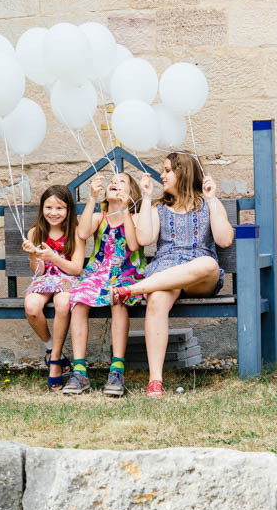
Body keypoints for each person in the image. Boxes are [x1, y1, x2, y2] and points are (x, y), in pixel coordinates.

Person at [117, 152, 235, 398]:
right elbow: (144, 239)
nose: (162, 175)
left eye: (167, 170)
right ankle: (155, 380)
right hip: (166, 270)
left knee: (208, 264)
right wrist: (147, 198)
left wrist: (212, 199)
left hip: (200, 276)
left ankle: (136, 289)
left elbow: (224, 240)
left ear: (183, 172)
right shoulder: (161, 208)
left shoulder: (207, 204)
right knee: (158, 299)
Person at [61, 172, 148, 397]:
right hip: (98, 272)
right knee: (78, 299)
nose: (114, 184)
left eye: (121, 183)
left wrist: (126, 209)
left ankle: (117, 368)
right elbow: (82, 232)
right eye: (112, 181)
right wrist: (91, 198)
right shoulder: (100, 217)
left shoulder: (135, 218)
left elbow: (132, 243)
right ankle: (79, 371)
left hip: (127, 272)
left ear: (132, 194)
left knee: (118, 298)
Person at [21, 185, 84, 390]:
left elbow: (75, 269)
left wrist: (54, 257)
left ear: (68, 210)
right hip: (45, 279)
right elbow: (38, 272)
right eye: (49, 207)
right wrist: (33, 254)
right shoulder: (35, 232)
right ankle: (51, 348)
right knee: (31, 307)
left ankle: (55, 361)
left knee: (63, 302)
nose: (53, 213)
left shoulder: (75, 231)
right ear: (42, 208)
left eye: (60, 208)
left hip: (67, 279)